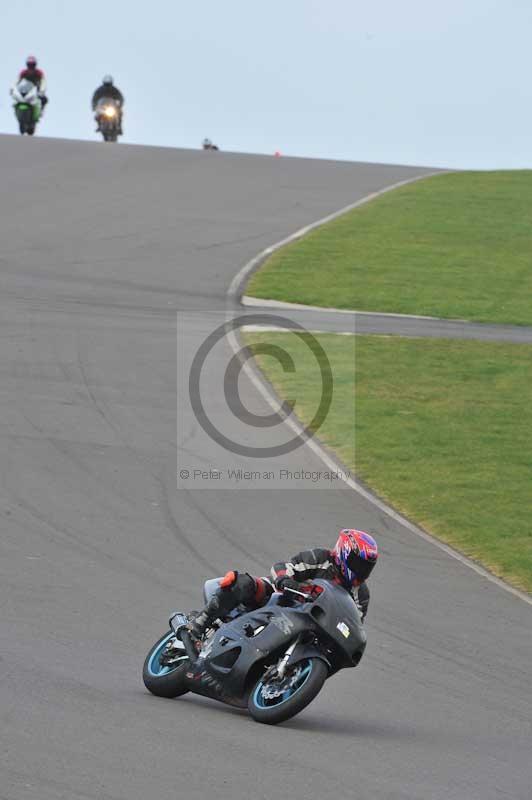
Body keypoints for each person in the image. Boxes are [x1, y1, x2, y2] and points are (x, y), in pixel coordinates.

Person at [188, 529, 378, 646]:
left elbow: (353, 624)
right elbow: (284, 567)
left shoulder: (361, 595)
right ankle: (199, 624)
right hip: (282, 598)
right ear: (344, 553)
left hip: (312, 625)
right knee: (242, 583)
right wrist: (285, 580)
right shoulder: (321, 558)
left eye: (367, 567)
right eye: (358, 563)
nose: (362, 570)